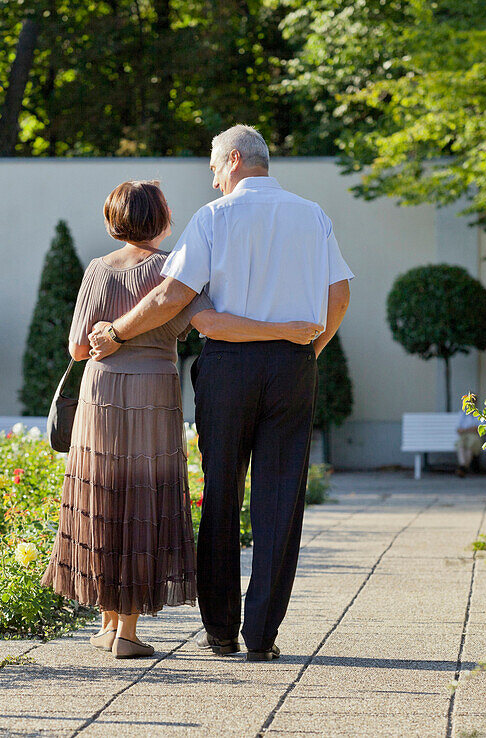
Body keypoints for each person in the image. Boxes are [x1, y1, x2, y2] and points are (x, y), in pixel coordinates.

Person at [88, 125, 354, 662]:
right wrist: (307, 352)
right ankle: (263, 636)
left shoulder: (215, 217)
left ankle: (220, 631)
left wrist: (117, 331)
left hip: (229, 368)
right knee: (281, 500)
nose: (212, 179)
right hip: (293, 365)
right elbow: (340, 295)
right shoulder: (312, 215)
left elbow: (172, 294)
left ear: (234, 159)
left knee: (222, 495)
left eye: (213, 167)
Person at [40, 180, 322, 659]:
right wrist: (286, 333)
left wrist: (114, 336)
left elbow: (78, 349)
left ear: (112, 220)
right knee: (142, 499)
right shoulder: (176, 269)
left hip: (102, 394)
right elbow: (212, 325)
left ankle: (109, 626)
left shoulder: (97, 270)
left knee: (103, 493)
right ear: (164, 220)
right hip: (153, 393)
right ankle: (126, 632)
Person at [455, 408, 483, 477]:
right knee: (461, 444)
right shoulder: (462, 414)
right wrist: (470, 429)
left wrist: (465, 430)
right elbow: (458, 430)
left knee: (471, 444)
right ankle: (464, 466)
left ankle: (463, 467)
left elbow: (478, 429)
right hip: (464, 435)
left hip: (475, 436)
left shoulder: (480, 413)